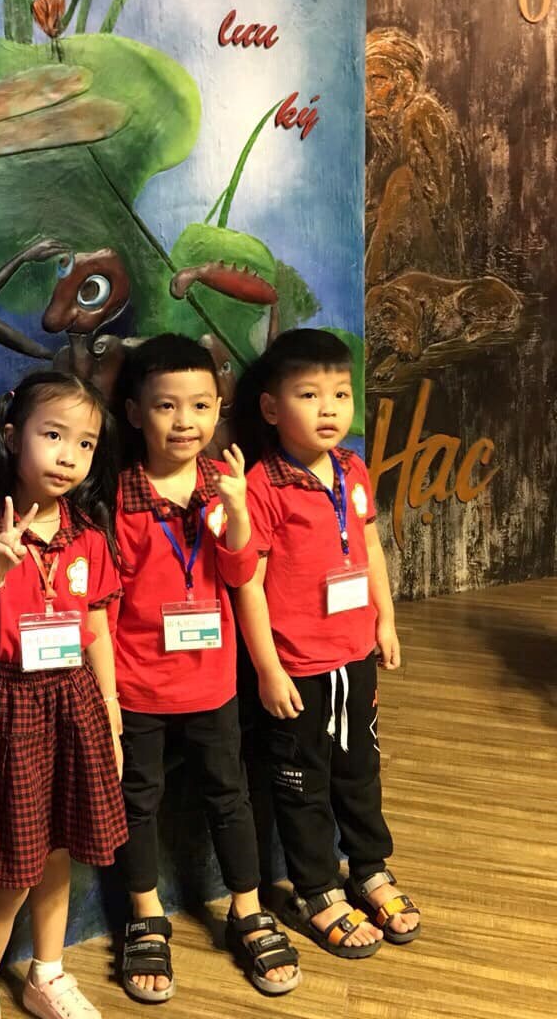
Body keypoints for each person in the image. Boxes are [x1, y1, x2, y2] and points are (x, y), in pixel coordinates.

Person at [111, 334, 301, 1002]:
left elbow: (242, 572)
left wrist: (240, 508)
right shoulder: (116, 497)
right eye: (166, 405)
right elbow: (105, 601)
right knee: (137, 800)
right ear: (135, 412)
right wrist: (107, 697)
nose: (184, 421)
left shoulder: (224, 485)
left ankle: (247, 908)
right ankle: (145, 915)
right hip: (137, 685)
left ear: (219, 408)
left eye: (200, 405)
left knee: (230, 794)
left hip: (213, 682)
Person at [0, 371, 127, 1019]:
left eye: (85, 443)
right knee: (11, 867)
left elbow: (97, 625)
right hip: (5, 702)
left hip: (74, 699)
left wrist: (112, 713)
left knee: (61, 849)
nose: (69, 456)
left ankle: (48, 973)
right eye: (53, 436)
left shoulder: (88, 533)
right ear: (13, 436)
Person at [237, 329, 421, 958]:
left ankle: (369, 867)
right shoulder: (262, 486)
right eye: (309, 394)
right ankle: (316, 888)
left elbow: (369, 545)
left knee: (360, 769)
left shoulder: (352, 468)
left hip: (354, 654)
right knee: (302, 781)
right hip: (296, 667)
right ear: (271, 407)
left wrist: (385, 620)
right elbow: (249, 583)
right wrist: (268, 668)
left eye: (341, 394)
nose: (329, 409)